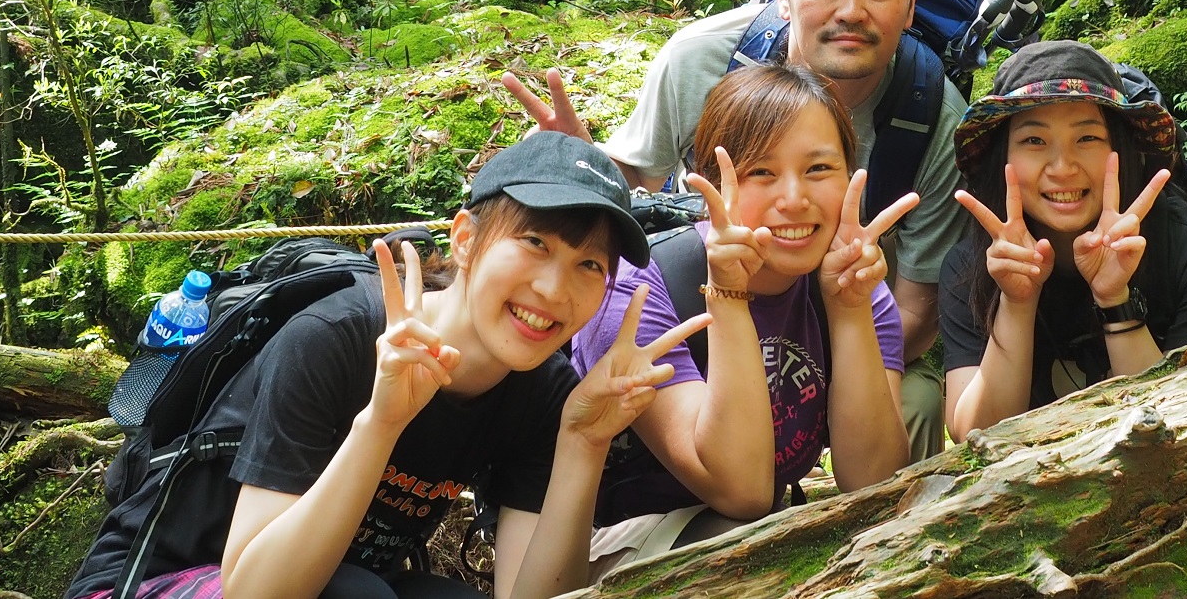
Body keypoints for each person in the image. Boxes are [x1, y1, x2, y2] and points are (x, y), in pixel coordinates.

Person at [65, 132, 709, 599]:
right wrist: (380, 423)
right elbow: (254, 590)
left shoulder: (544, 394)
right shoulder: (337, 338)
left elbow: (531, 596)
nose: (553, 289)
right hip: (158, 580)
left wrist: (583, 442)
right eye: (535, 242)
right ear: (464, 239)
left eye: (588, 265)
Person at [505, 0, 968, 460]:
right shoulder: (702, 60)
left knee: (914, 407)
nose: (852, 10)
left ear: (911, 3)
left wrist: (824, 373)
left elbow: (917, 307)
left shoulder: (935, 121)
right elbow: (629, 197)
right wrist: (576, 170)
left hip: (845, 311)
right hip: (692, 304)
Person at [570, 64, 914, 575]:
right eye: (761, 173)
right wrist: (727, 295)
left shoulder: (854, 286)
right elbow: (742, 490)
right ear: (710, 187)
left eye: (819, 169)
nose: (794, 199)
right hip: (605, 541)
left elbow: (875, 480)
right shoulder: (638, 289)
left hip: (746, 528)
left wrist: (848, 310)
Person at [939, 41, 1187, 439]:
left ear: (1121, 146)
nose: (1063, 167)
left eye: (1087, 138)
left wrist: (1115, 299)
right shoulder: (973, 267)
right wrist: (1016, 303)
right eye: (1034, 141)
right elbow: (973, 434)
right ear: (1003, 158)